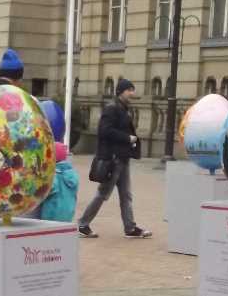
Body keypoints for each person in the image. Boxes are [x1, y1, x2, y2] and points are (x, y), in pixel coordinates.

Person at [77, 79, 150, 239]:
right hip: (113, 160)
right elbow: (104, 131)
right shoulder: (112, 109)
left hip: (122, 159)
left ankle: (130, 228)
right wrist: (127, 138)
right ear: (120, 91)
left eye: (132, 90)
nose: (132, 93)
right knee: (103, 194)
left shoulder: (123, 109)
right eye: (129, 90)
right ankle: (82, 224)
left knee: (126, 195)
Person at [37, 100, 79, 222]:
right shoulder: (72, 174)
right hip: (67, 215)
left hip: (50, 216)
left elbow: (44, 192)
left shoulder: (53, 177)